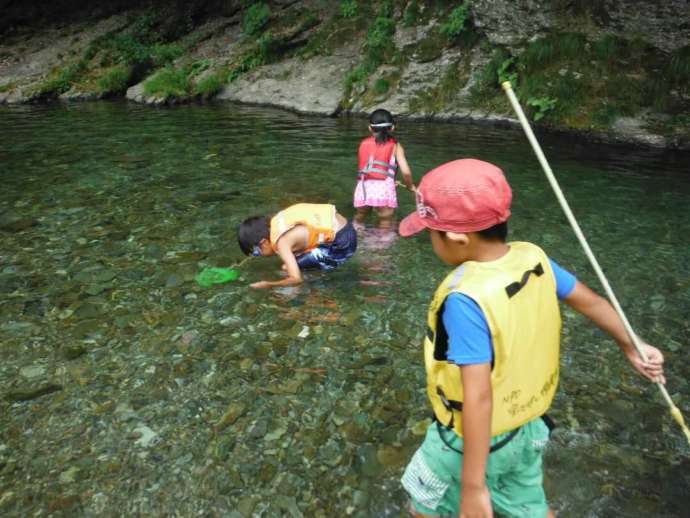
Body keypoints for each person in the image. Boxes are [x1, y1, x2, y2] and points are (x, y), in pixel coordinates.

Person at [397, 158, 665, 518]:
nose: (430, 240)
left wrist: (474, 488)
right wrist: (632, 345)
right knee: (527, 505)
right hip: (528, 428)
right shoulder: (533, 259)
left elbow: (477, 396)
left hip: (466, 445)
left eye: (430, 231)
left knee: (422, 506)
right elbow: (593, 302)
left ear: (458, 238)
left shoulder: (464, 300)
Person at [237, 203, 357, 289]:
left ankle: (327, 285)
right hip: (346, 227)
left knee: (286, 268)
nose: (259, 255)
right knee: (295, 258)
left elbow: (296, 279)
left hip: (342, 244)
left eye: (257, 252)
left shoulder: (282, 243)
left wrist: (269, 284)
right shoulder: (277, 222)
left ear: (264, 242)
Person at [354, 109, 415, 228]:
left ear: (370, 128)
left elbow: (369, 169)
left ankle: (356, 238)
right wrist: (410, 186)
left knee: (360, 216)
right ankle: (381, 244)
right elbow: (406, 172)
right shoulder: (395, 146)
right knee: (385, 221)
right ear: (392, 128)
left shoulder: (363, 143)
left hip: (363, 189)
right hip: (383, 191)